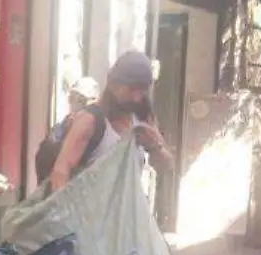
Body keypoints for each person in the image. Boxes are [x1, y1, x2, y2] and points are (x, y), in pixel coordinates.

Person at [47, 52, 176, 192]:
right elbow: (60, 172)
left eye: (142, 91)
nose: (136, 98)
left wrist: (154, 146)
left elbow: (166, 166)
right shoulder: (90, 121)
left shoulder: (142, 118)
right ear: (113, 83)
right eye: (131, 89)